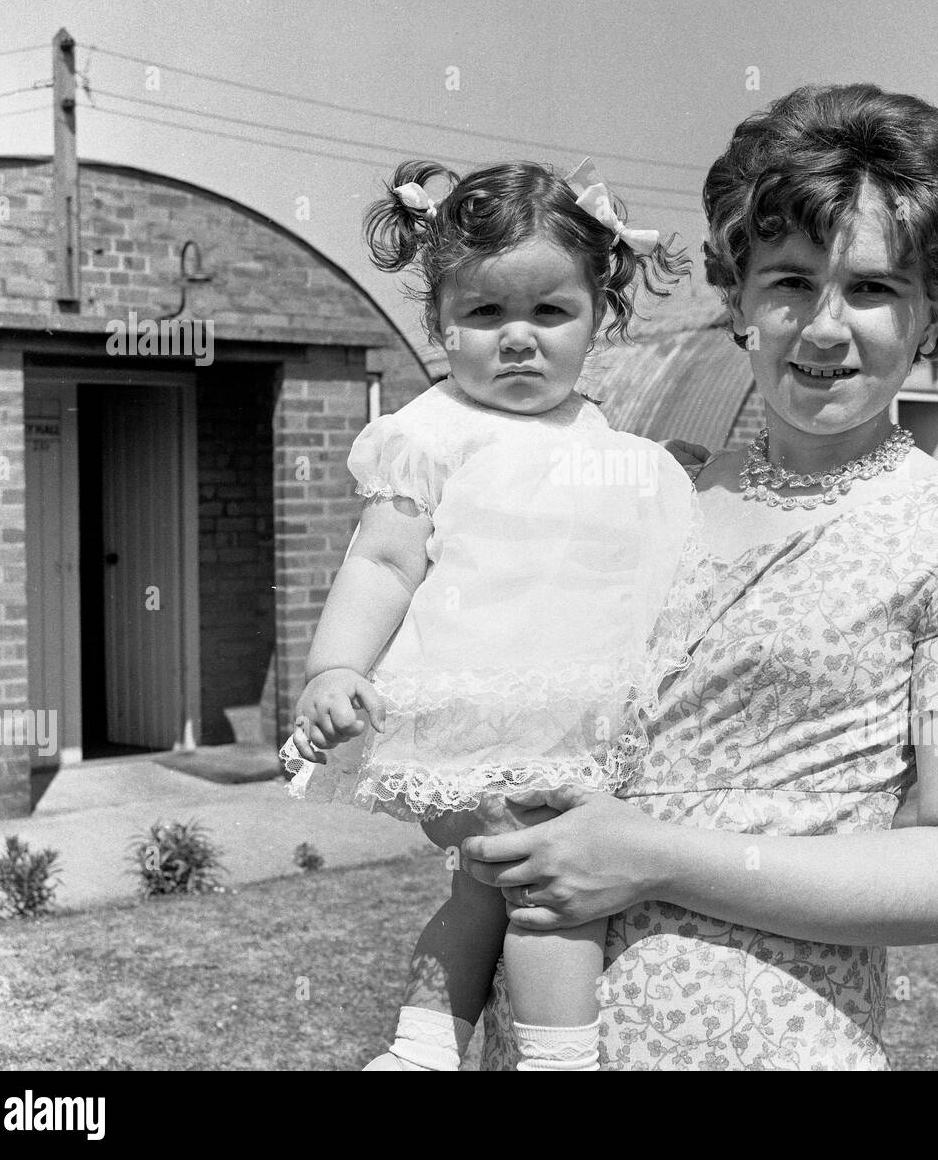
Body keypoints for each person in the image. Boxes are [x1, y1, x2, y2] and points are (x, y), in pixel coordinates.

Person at [466, 82, 938, 1070]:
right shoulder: (651, 487)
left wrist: (646, 854)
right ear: (736, 293)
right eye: (788, 281)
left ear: (934, 310)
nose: (824, 328)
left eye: (871, 288)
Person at [280, 157, 710, 1072]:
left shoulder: (611, 447)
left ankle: (423, 1047)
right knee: (548, 895)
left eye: (549, 313)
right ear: (440, 323)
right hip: (473, 710)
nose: (518, 339)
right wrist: (334, 668)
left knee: (486, 888)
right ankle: (554, 1057)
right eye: (485, 315)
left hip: (579, 713)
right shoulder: (432, 432)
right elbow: (383, 563)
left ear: (600, 319)